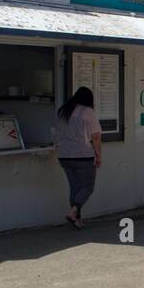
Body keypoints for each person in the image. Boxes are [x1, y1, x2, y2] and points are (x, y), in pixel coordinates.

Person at [55, 86, 102, 228]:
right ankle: (74, 212)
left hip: (64, 155)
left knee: (75, 188)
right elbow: (96, 137)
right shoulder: (87, 112)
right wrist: (98, 155)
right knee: (87, 187)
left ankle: (77, 220)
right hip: (83, 156)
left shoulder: (63, 111)